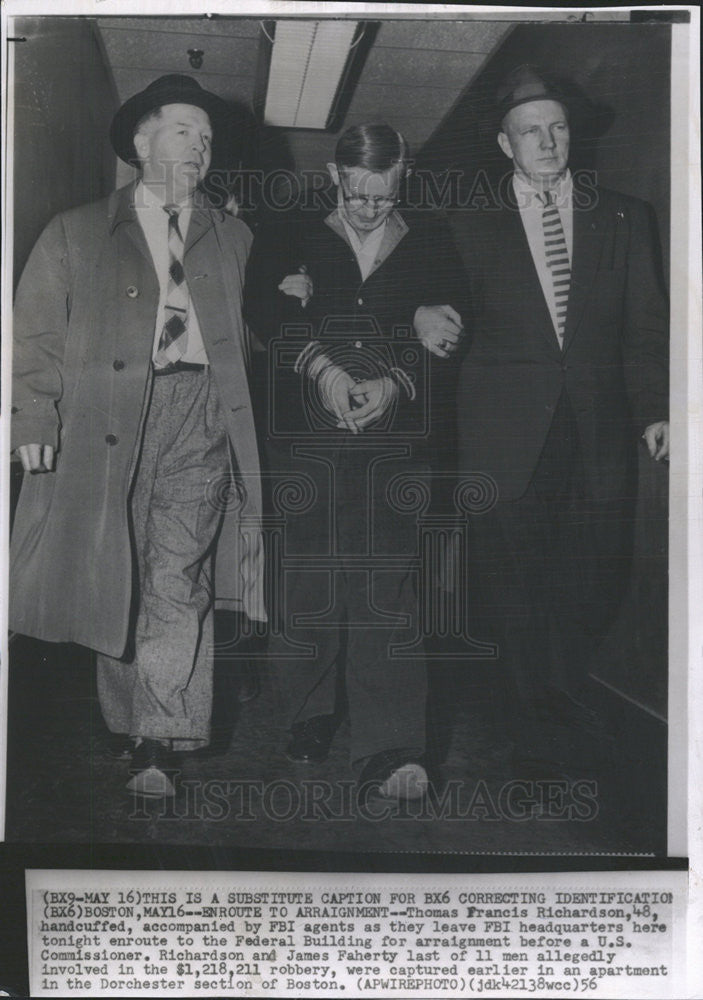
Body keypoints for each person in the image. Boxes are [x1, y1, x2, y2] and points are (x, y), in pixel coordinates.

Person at [10, 74, 265, 799]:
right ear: (142, 141)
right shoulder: (75, 229)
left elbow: (253, 328)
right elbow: (34, 333)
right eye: (186, 130)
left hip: (201, 416)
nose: (200, 147)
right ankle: (130, 721)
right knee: (113, 570)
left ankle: (160, 735)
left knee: (175, 574)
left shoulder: (234, 233)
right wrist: (33, 414)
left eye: (209, 139)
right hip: (106, 420)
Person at [451, 65, 669, 777]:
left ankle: (560, 692)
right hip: (504, 441)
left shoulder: (624, 215)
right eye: (529, 132)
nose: (546, 142)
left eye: (556, 128)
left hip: (596, 438)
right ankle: (531, 739)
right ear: (504, 144)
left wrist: (656, 409)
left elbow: (644, 329)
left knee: (591, 579)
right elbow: (441, 321)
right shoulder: (462, 222)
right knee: (514, 593)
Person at [244, 123, 468, 800]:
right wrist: (323, 372)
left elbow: (453, 329)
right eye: (357, 193)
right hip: (306, 439)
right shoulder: (288, 228)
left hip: (395, 444)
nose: (369, 207)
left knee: (386, 589)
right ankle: (309, 715)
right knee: (310, 581)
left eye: (383, 192)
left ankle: (391, 745)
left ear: (401, 172)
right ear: (335, 177)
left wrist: (397, 381)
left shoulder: (431, 239)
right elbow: (261, 310)